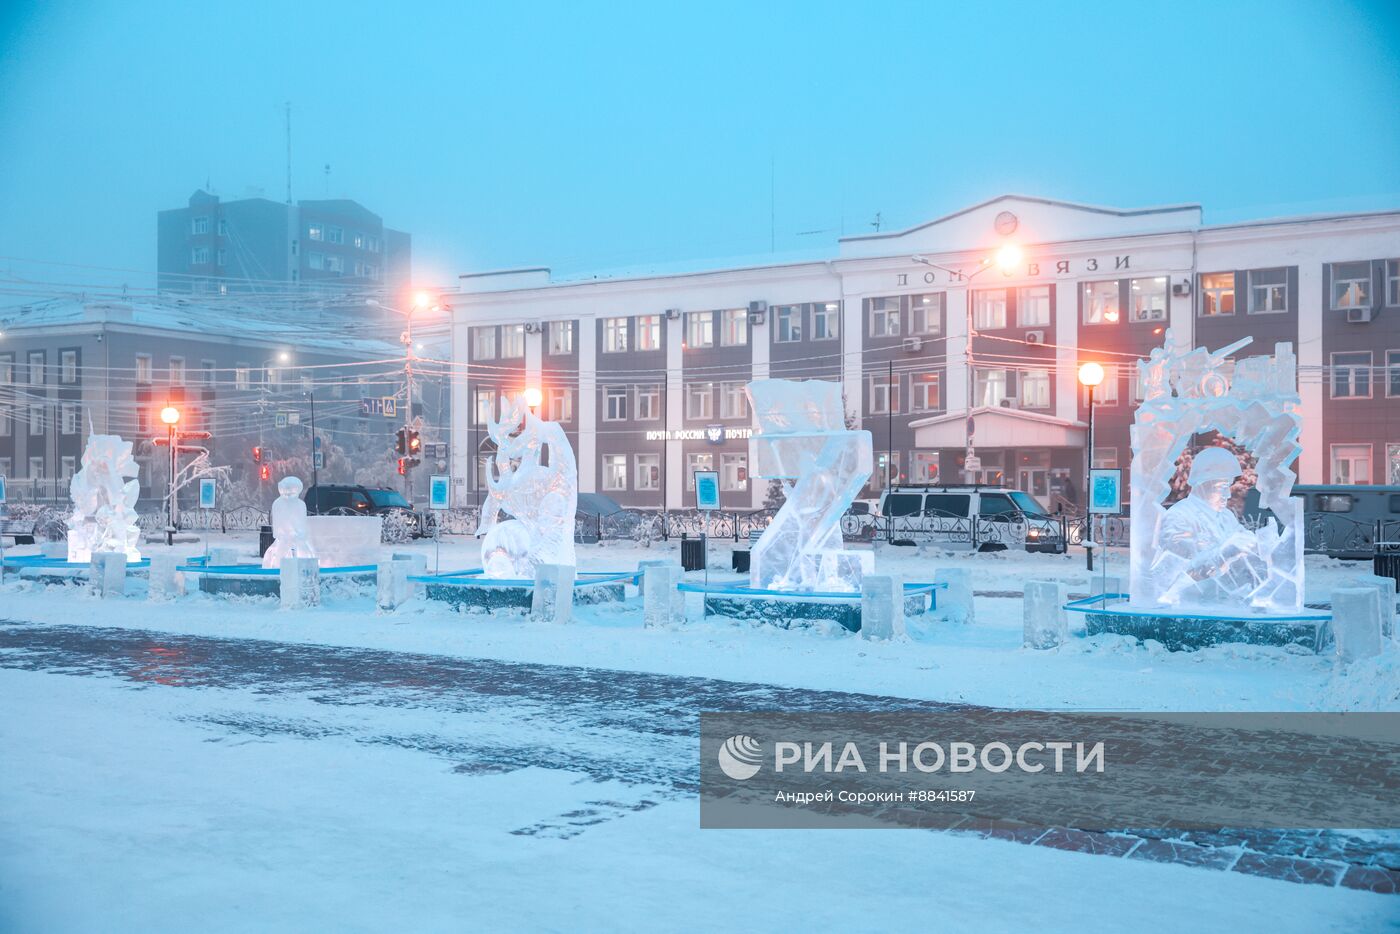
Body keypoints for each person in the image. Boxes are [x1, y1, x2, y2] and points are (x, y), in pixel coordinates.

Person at [1150, 447, 1263, 606]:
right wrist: (1224, 553)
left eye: (1228, 487)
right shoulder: (1179, 517)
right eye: (1221, 487)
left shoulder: (1226, 516)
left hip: (1225, 600)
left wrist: (1258, 544)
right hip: (1190, 605)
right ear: (1202, 485)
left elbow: (1244, 545)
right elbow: (1178, 575)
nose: (1228, 495)